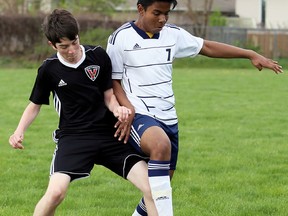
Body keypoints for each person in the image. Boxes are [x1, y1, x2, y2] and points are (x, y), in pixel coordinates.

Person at [106, 0, 284, 215]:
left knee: (160, 189)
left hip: (169, 118)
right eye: (156, 13)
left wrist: (250, 53)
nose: (162, 19)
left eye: (166, 14)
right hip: (140, 114)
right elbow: (113, 81)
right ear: (141, 9)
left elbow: (206, 47)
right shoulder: (120, 38)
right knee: (160, 147)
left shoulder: (173, 34)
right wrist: (128, 109)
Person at [8, 9, 159, 216]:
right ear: (52, 45)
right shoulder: (48, 70)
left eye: (74, 42)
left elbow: (108, 95)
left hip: (110, 135)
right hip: (74, 138)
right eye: (63, 47)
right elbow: (34, 105)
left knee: (152, 188)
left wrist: (119, 109)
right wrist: (19, 131)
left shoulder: (98, 56)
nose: (71, 50)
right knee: (55, 194)